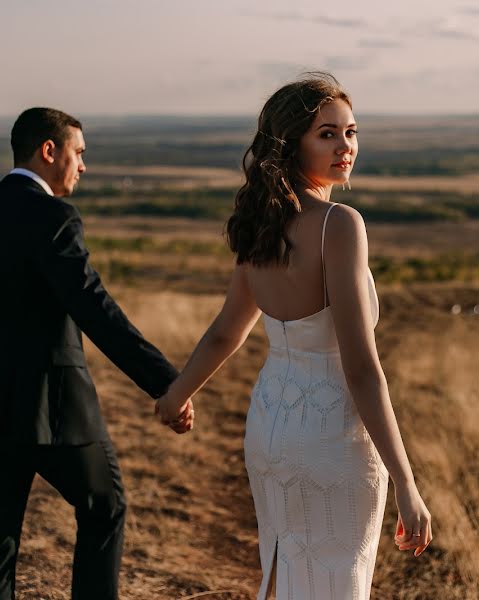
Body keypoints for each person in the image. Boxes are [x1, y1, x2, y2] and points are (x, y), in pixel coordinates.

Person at [156, 73, 432, 599]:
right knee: (335, 582)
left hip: (271, 426)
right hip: (331, 434)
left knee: (283, 573)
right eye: (327, 134)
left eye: (350, 132)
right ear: (291, 142)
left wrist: (177, 394)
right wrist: (406, 481)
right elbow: (360, 369)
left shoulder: (259, 220)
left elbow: (225, 331)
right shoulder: (339, 224)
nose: (345, 147)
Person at [0, 107, 193, 600]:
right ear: (49, 150)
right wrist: (168, 383)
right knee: (105, 508)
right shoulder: (52, 216)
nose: (83, 165)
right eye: (78, 153)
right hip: (51, 409)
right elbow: (95, 309)